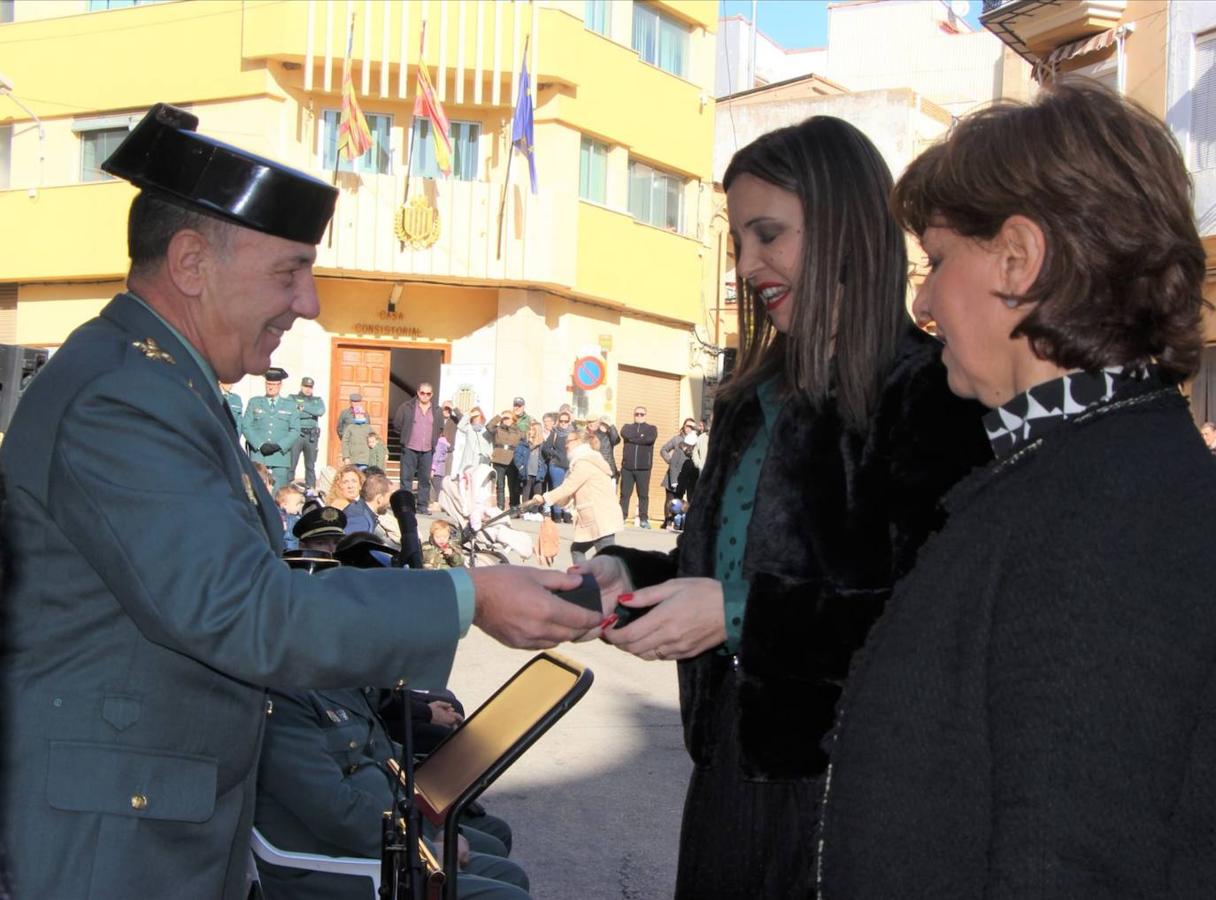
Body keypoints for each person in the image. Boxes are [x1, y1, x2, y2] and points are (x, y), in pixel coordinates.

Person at [0, 104, 600, 900]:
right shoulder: (125, 396)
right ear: (190, 263)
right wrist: (470, 593)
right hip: (109, 849)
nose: (309, 302)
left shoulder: (162, 379)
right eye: (288, 272)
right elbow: (246, 610)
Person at [815, 81, 1216, 897]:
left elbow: (1071, 863)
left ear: (1018, 259)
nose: (922, 301)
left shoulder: (1108, 512)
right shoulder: (1075, 468)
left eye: (935, 261)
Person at [581, 115, 990, 899]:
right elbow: (725, 567)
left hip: (847, 789)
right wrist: (617, 572)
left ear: (843, 228)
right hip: (728, 768)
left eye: (768, 235)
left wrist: (741, 616)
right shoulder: (747, 398)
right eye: (738, 241)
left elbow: (930, 618)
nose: (746, 265)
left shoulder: (930, 393)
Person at [255, 684, 531, 900]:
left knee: (507, 872)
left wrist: (437, 828)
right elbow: (335, 811)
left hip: (381, 844)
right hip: (335, 868)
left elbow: (387, 763)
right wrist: (422, 849)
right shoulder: (285, 698)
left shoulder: (335, 684)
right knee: (509, 894)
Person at [531, 430, 624, 564]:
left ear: (579, 442)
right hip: (598, 517)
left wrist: (545, 498)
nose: (565, 445)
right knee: (579, 550)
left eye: (568, 441)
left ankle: (600, 581)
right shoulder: (582, 461)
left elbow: (568, 487)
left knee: (608, 560)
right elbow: (568, 492)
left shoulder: (584, 463)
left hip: (600, 517)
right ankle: (585, 579)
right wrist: (553, 501)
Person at [242, 366, 300, 490]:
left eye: (274, 384)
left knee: (279, 493)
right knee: (255, 490)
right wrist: (260, 444)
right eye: (268, 383)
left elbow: (295, 430)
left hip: (280, 456)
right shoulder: (255, 402)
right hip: (259, 455)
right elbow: (246, 425)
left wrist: (279, 445)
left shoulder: (290, 405)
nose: (271, 387)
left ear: (280, 385)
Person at [394, 382, 443, 506]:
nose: (425, 396)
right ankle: (406, 505)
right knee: (406, 479)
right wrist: (405, 437)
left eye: (428, 393)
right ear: (418, 393)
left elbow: (440, 428)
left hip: (427, 450)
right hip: (409, 447)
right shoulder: (406, 407)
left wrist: (433, 443)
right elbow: (397, 425)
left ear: (432, 395)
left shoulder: (437, 411)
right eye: (422, 393)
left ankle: (422, 505)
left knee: (425, 480)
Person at [618, 406, 657, 528]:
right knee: (625, 494)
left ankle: (644, 519)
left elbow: (649, 439)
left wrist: (634, 438)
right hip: (627, 467)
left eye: (642, 414)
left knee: (643, 495)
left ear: (645, 416)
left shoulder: (651, 428)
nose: (639, 416)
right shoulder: (627, 427)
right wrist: (640, 437)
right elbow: (625, 434)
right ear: (633, 415)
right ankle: (621, 517)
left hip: (643, 468)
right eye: (637, 414)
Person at [658, 419, 698, 529]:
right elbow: (663, 450)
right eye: (688, 425)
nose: (689, 428)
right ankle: (667, 521)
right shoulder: (676, 439)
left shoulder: (696, 441)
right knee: (669, 500)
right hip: (672, 475)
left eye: (692, 427)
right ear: (683, 426)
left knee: (678, 501)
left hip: (684, 477)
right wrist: (670, 461)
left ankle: (676, 522)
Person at [288, 374, 325, 490]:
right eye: (305, 386)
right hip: (297, 435)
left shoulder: (317, 400)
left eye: (310, 387)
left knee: (310, 466)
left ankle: (311, 490)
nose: (308, 389)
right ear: (301, 386)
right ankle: (287, 488)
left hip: (311, 436)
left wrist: (303, 408)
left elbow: (320, 411)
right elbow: (293, 412)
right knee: (291, 464)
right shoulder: (292, 398)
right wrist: (309, 411)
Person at [541, 410, 575, 524]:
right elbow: (546, 448)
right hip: (557, 466)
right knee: (557, 490)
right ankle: (556, 514)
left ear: (569, 421)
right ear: (558, 421)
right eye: (561, 421)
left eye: (566, 421)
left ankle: (567, 513)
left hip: (570, 466)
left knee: (569, 490)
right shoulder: (554, 433)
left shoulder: (573, 434)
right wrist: (554, 455)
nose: (563, 423)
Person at [487, 409, 523, 511]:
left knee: (513, 486)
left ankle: (514, 507)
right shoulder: (498, 429)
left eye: (507, 418)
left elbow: (525, 442)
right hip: (499, 459)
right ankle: (500, 507)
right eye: (504, 419)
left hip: (512, 460)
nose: (505, 420)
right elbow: (489, 426)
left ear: (513, 419)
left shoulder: (518, 431)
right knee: (500, 485)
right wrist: (499, 415)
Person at [342, 471, 393, 539]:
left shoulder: (361, 511)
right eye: (389, 498)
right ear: (379, 499)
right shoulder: (360, 521)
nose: (389, 503)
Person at [452, 406, 492, 475]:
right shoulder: (469, 428)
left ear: (481, 416)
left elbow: (491, 443)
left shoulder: (486, 429)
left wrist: (489, 454)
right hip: (468, 462)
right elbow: (460, 426)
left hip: (482, 461)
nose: (475, 418)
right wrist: (469, 414)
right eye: (473, 416)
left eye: (477, 416)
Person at [275, 483, 305, 551]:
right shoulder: (289, 520)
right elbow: (289, 539)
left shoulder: (293, 516)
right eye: (297, 504)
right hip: (290, 551)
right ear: (284, 505)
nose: (300, 506)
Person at [592, 415, 620, 482]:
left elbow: (616, 440)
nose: (604, 426)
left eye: (606, 424)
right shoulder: (594, 434)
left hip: (609, 466)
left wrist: (611, 426)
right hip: (597, 466)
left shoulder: (611, 435)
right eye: (602, 423)